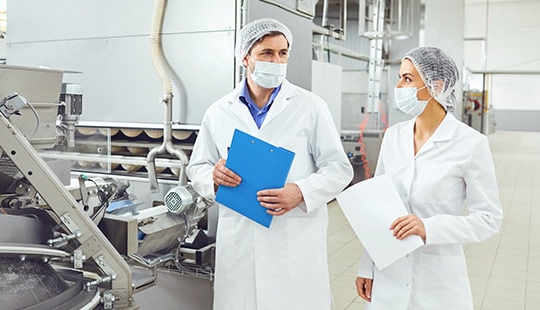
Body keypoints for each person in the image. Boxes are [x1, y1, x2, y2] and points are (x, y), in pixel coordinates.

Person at [186, 18, 353, 310]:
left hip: (294, 240)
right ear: (245, 58)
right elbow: (197, 166)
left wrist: (300, 192)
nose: (276, 61)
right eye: (267, 53)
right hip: (240, 245)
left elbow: (339, 168)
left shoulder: (311, 107)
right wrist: (212, 176)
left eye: (283, 53)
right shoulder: (218, 112)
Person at [354, 46, 503, 309]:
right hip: (389, 272)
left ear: (436, 85)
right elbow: (376, 205)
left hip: (438, 281)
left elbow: (488, 219)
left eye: (408, 79)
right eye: (400, 77)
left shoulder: (470, 144)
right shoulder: (394, 136)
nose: (399, 85)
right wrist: (368, 266)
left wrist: (429, 228)